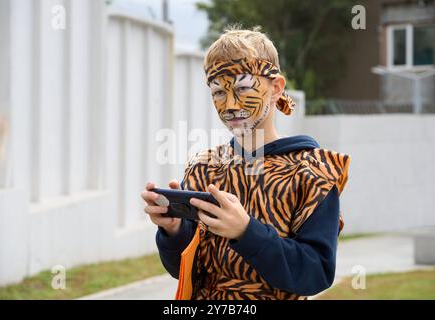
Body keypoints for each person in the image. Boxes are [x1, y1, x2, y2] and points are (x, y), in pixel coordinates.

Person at [141, 26, 350, 300]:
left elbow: (316, 273)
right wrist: (173, 231)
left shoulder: (314, 173)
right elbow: (186, 272)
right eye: (218, 92)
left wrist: (246, 232)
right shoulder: (204, 167)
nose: (229, 104)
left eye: (242, 87)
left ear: (276, 88)